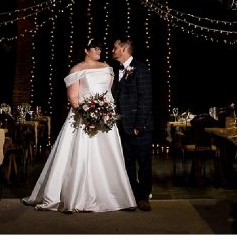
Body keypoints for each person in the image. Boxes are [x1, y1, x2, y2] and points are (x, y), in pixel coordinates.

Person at [22, 39, 137, 212]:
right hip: (83, 118)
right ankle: (75, 196)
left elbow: (109, 94)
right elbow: (73, 97)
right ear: (86, 50)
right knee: (80, 155)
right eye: (95, 48)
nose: (99, 50)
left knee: (108, 155)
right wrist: (89, 114)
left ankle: (114, 196)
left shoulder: (107, 67)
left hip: (105, 119)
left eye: (100, 48)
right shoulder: (77, 70)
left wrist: (104, 112)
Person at [111, 36, 154, 211]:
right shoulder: (116, 69)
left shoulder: (141, 69)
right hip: (121, 126)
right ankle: (131, 196)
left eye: (115, 48)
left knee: (143, 162)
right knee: (126, 162)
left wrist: (139, 126)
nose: (112, 51)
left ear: (123, 48)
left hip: (139, 127)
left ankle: (143, 197)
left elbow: (145, 99)